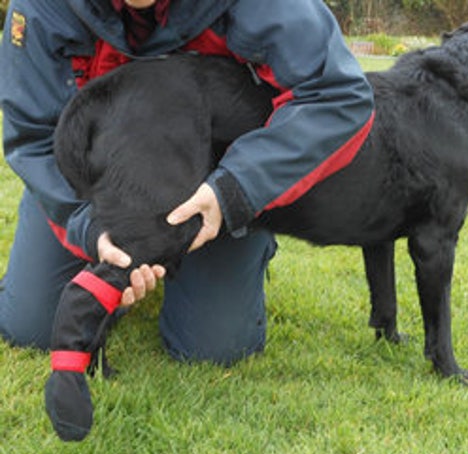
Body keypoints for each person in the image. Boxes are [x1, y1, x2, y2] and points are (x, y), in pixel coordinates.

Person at [0, 0, 374, 365]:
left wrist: (236, 191)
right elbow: (34, 137)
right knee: (33, 326)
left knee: (215, 348)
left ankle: (239, 247)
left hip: (211, 176)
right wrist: (87, 225)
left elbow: (337, 97)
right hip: (100, 178)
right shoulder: (43, 7)